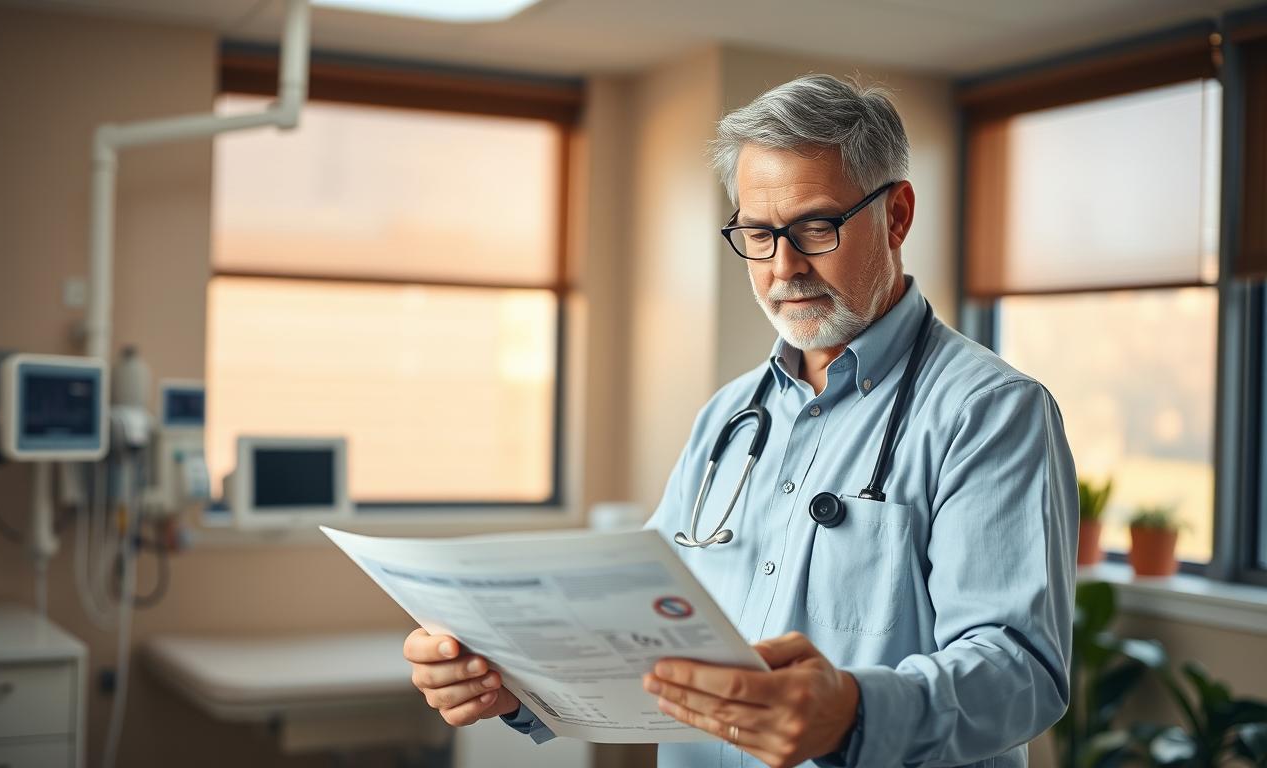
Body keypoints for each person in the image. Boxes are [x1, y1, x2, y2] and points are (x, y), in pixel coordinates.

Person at [403, 73, 1078, 768]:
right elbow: (641, 632)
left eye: (817, 227)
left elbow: (1019, 672)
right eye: (758, 234)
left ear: (897, 215)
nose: (784, 267)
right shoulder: (730, 417)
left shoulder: (990, 412)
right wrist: (511, 684)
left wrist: (853, 713)